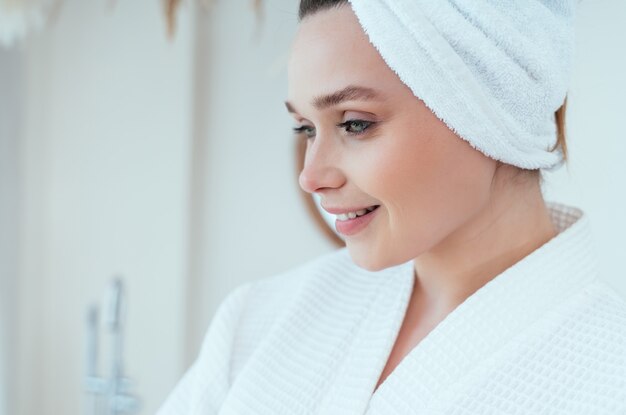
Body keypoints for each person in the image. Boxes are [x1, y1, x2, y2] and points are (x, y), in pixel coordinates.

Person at [156, 1, 626, 413]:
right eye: (306, 129)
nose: (311, 177)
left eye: (355, 124)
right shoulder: (258, 320)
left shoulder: (609, 381)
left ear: (490, 107)